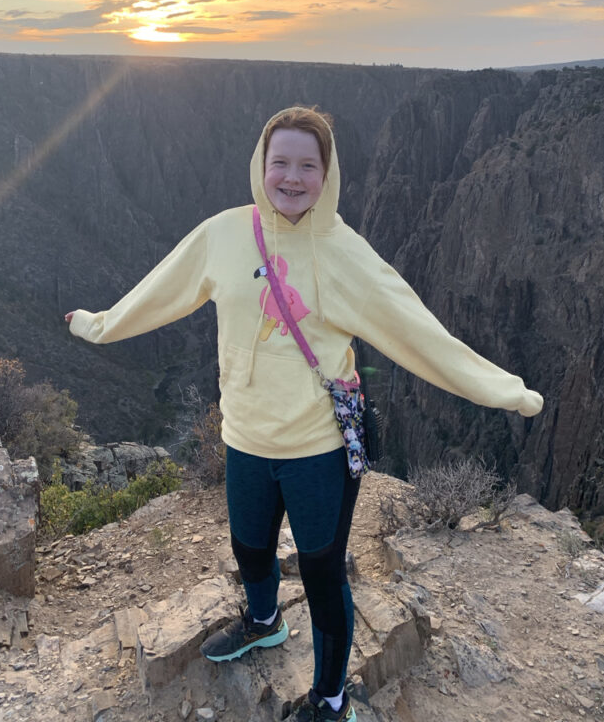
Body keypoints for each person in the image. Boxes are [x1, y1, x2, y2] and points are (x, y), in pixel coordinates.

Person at [65, 106, 543, 722]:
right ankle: (263, 621)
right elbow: (162, 291)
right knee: (249, 547)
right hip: (245, 436)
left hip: (317, 449)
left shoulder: (347, 256)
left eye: (307, 166)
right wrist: (98, 326)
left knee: (321, 572)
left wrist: (503, 390)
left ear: (327, 174)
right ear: (261, 167)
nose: (292, 178)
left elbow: (423, 335)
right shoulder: (224, 234)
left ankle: (331, 697)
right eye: (280, 162)